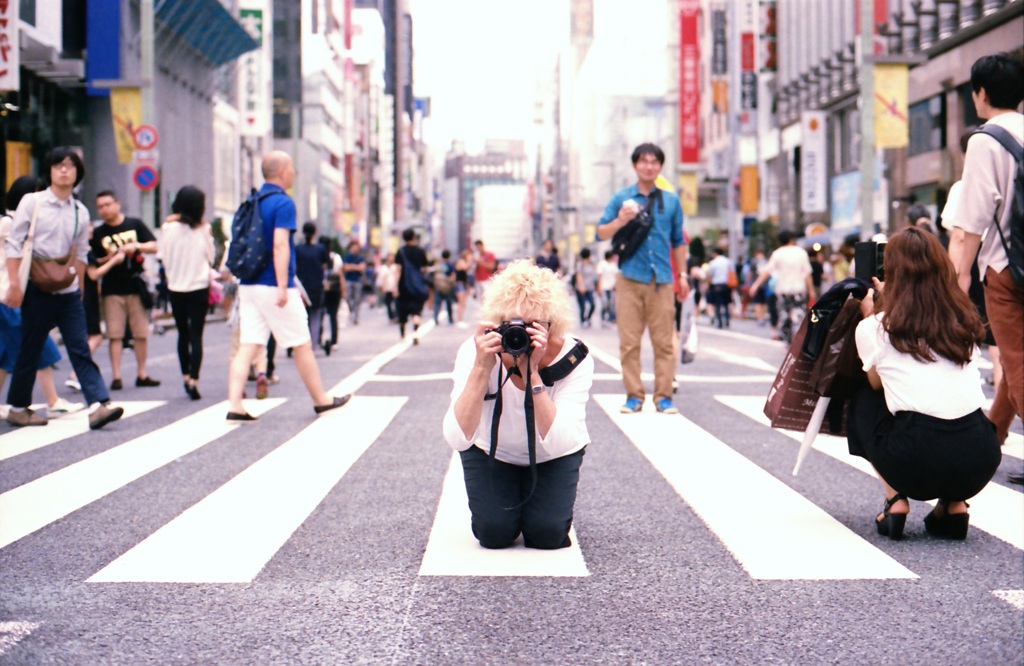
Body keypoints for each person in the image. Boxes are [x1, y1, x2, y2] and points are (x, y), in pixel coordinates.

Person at [847, 227, 1001, 540]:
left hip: (913, 459)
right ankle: (954, 505)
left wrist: (872, 311)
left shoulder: (876, 327)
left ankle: (895, 500)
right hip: (980, 457)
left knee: (862, 395)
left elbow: (877, 386)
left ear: (891, 272)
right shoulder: (963, 320)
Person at [442, 259, 593, 549]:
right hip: (492, 452)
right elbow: (456, 437)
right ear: (497, 322)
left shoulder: (575, 359)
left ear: (553, 325)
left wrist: (533, 374)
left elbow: (561, 442)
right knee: (493, 534)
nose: (519, 335)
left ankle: (536, 504)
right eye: (512, 325)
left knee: (547, 535)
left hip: (553, 457)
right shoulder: (476, 352)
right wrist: (481, 369)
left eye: (533, 326)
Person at [225, 151, 350, 421]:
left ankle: (235, 404)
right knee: (301, 344)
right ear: (281, 170)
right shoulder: (282, 203)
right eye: (291, 166)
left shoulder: (252, 200)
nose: (294, 172)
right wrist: (283, 285)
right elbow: (280, 244)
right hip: (273, 284)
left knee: (248, 344)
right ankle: (321, 399)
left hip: (248, 284)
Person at [3, 147, 123, 429]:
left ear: (78, 174)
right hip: (35, 287)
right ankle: (19, 408)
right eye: (58, 165)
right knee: (29, 349)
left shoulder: (80, 211)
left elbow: (81, 253)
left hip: (67, 292)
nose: (64, 170)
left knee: (79, 346)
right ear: (50, 171)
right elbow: (14, 243)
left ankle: (98, 405)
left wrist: (79, 289)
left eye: (70, 166)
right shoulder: (32, 203)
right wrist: (14, 285)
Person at [947, 53, 1024, 485]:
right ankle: (987, 444)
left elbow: (969, 223)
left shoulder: (985, 139)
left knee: (1016, 361)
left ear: (980, 93)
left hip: (1007, 270)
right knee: (1015, 365)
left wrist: (958, 281)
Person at [596, 143, 689, 414]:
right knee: (629, 342)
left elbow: (678, 240)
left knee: (664, 342)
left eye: (654, 162)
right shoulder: (622, 198)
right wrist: (620, 221)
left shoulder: (671, 201)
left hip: (662, 279)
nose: (649, 166)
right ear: (635, 165)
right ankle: (634, 396)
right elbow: (601, 232)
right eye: (643, 161)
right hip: (629, 279)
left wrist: (681, 274)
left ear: (660, 166)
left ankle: (663, 397)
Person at [0, 175, 85, 419]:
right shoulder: (9, 223)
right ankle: (52, 400)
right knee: (39, 347)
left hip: (13, 295)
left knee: (7, 354)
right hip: (9, 295)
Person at [92, 189, 161, 390]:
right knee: (115, 334)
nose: (104, 210)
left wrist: (136, 247)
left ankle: (142, 373)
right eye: (100, 207)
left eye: (107, 205)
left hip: (135, 285)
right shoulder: (99, 232)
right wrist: (112, 258)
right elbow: (95, 260)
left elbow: (154, 245)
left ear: (117, 204)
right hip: (111, 288)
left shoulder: (134, 224)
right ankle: (116, 375)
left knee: (141, 332)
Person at [160, 185, 214, 401]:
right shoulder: (204, 230)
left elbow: (162, 256)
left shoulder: (167, 229)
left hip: (176, 287)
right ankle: (194, 379)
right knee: (196, 335)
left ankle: (184, 377)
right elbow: (211, 257)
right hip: (198, 286)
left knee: (182, 333)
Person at [748, 230, 814, 343]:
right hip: (798, 288)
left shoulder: (778, 253)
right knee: (798, 313)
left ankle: (786, 337)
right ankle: (797, 340)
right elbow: (807, 273)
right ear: (791, 239)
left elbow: (767, 271)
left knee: (784, 314)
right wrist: (811, 290)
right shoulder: (801, 252)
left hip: (782, 289)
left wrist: (755, 285)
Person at [295, 222, 329, 347]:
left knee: (301, 317)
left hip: (301, 287)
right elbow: (325, 266)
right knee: (315, 316)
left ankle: (300, 343)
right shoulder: (320, 249)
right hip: (316, 286)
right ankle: (313, 344)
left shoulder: (298, 249)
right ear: (315, 232)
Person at [394, 228, 429, 343]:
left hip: (403, 285)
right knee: (416, 310)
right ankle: (415, 333)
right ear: (414, 237)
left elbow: (398, 270)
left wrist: (395, 286)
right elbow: (425, 269)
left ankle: (403, 334)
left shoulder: (401, 251)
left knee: (402, 310)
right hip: (417, 287)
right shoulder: (420, 251)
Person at [321, 236, 343, 354]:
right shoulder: (336, 257)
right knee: (333, 316)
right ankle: (334, 341)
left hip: (321, 289)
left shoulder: (317, 255)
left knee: (320, 315)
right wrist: (343, 291)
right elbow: (340, 275)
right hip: (334, 290)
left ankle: (318, 339)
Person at [706, 246, 733, 329]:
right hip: (727, 285)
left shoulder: (713, 262)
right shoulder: (728, 261)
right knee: (726, 303)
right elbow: (732, 272)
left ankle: (720, 322)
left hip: (717, 285)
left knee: (718, 304)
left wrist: (708, 284)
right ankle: (727, 320)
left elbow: (710, 275)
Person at [342, 239, 366, 325]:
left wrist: (351, 266)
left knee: (357, 299)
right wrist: (356, 267)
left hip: (357, 281)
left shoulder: (361, 257)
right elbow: (345, 267)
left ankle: (356, 317)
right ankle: (351, 311)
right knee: (348, 298)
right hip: (348, 280)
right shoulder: (347, 256)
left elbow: (362, 268)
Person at [573, 248, 597, 328]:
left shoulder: (591, 263)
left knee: (593, 304)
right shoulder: (580, 264)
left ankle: (588, 318)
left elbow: (594, 275)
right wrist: (581, 286)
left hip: (590, 287)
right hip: (580, 288)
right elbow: (578, 275)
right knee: (582, 306)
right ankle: (583, 320)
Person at [432, 249, 456, 325]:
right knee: (448, 303)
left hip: (438, 286)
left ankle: (435, 318)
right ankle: (450, 318)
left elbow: (434, 275)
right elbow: (453, 276)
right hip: (447, 286)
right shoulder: (450, 264)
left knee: (437, 303)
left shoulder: (438, 264)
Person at [596, 250, 618, 325]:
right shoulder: (602, 264)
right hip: (603, 287)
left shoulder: (613, 265)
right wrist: (598, 287)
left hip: (611, 287)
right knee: (605, 303)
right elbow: (599, 276)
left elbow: (616, 275)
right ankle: (603, 317)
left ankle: (611, 318)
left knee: (612, 303)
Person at [453, 249, 472, 327]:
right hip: (459, 284)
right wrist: (469, 261)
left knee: (463, 303)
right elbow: (464, 267)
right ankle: (459, 320)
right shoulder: (461, 261)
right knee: (461, 303)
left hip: (463, 284)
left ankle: (460, 319)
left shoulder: (464, 262)